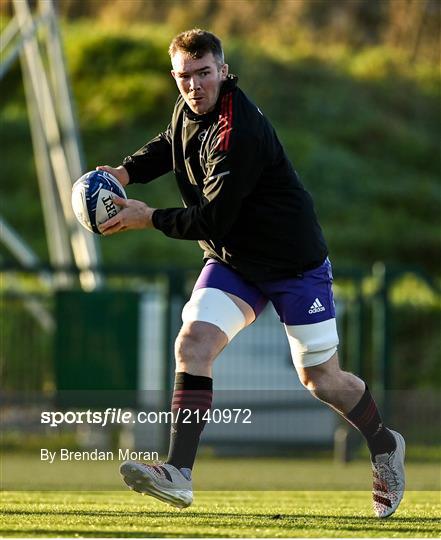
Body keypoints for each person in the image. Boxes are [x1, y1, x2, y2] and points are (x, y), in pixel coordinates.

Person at [97, 29, 405, 518]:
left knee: (321, 379)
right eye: (185, 77)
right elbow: (170, 143)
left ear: (223, 69)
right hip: (233, 262)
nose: (195, 85)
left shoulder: (237, 131)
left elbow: (212, 218)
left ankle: (385, 445)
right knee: (192, 344)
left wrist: (146, 216)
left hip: (292, 264)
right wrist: (124, 173)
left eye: (204, 73)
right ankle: (179, 474)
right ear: (175, 77)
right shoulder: (189, 108)